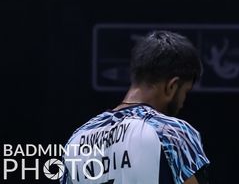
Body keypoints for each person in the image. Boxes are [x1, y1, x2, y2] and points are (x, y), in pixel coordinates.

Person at [61, 31, 210, 184]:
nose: (182, 103)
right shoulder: (171, 132)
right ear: (171, 86)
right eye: (185, 92)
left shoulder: (77, 139)